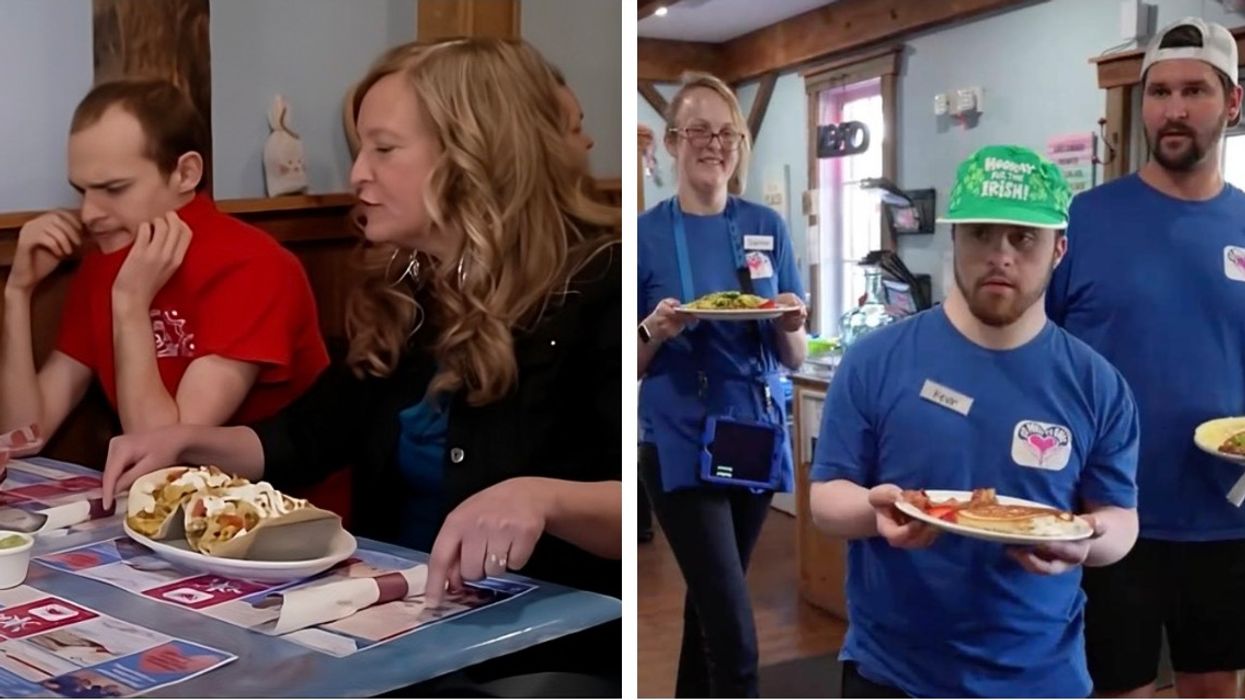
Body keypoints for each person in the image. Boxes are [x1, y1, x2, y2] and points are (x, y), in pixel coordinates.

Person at [99, 37, 621, 689]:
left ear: (475, 153)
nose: (356, 177)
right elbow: (301, 439)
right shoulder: (413, 291)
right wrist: (186, 441)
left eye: (383, 149)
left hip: (538, 657)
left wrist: (542, 498)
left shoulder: (605, 287)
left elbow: (644, 515)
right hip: (393, 640)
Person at [811, 145, 1140, 698]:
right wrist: (878, 511)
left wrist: (1087, 542)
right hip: (894, 672)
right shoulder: (876, 360)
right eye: (982, 233)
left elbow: (1120, 518)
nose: (1001, 255)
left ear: (1058, 249)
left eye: (1023, 238)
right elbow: (826, 499)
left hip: (1040, 676)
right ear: (954, 240)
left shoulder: (1098, 384)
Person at [1047, 17, 1245, 699]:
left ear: (1232, 103)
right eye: (1158, 92)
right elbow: (1034, 355)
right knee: (1115, 688)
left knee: (1214, 684)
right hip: (1104, 509)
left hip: (1226, 510)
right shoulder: (1083, 220)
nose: (1173, 109)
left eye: (1194, 90)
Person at [0, 78, 328, 447]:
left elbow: (160, 447)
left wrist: (129, 302)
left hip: (277, 500)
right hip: (164, 499)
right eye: (82, 191)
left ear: (185, 174)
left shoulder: (254, 265)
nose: (89, 213)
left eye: (113, 189)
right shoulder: (102, 263)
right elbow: (20, 440)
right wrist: (18, 291)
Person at [637, 71, 808, 698]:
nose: (715, 144)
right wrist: (654, 329)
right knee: (735, 633)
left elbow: (790, 353)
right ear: (674, 141)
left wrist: (791, 321)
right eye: (700, 131)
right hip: (679, 440)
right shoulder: (647, 235)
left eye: (727, 132)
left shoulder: (767, 225)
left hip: (753, 434)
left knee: (708, 609)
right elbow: (628, 364)